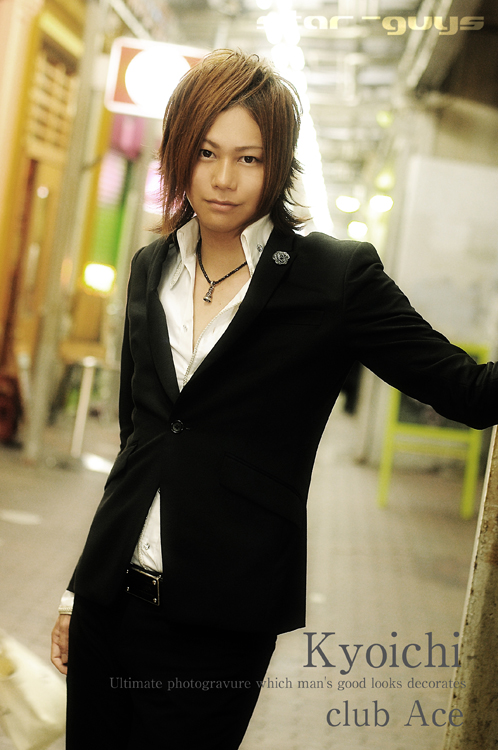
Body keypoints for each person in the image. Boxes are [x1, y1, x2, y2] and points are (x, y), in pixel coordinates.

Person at [51, 49, 498, 749]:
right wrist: (78, 591)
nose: (224, 178)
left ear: (278, 164)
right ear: (178, 152)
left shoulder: (335, 278)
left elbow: (468, 392)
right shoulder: (150, 266)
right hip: (110, 609)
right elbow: (139, 442)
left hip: (220, 624)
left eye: (249, 159)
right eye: (206, 152)